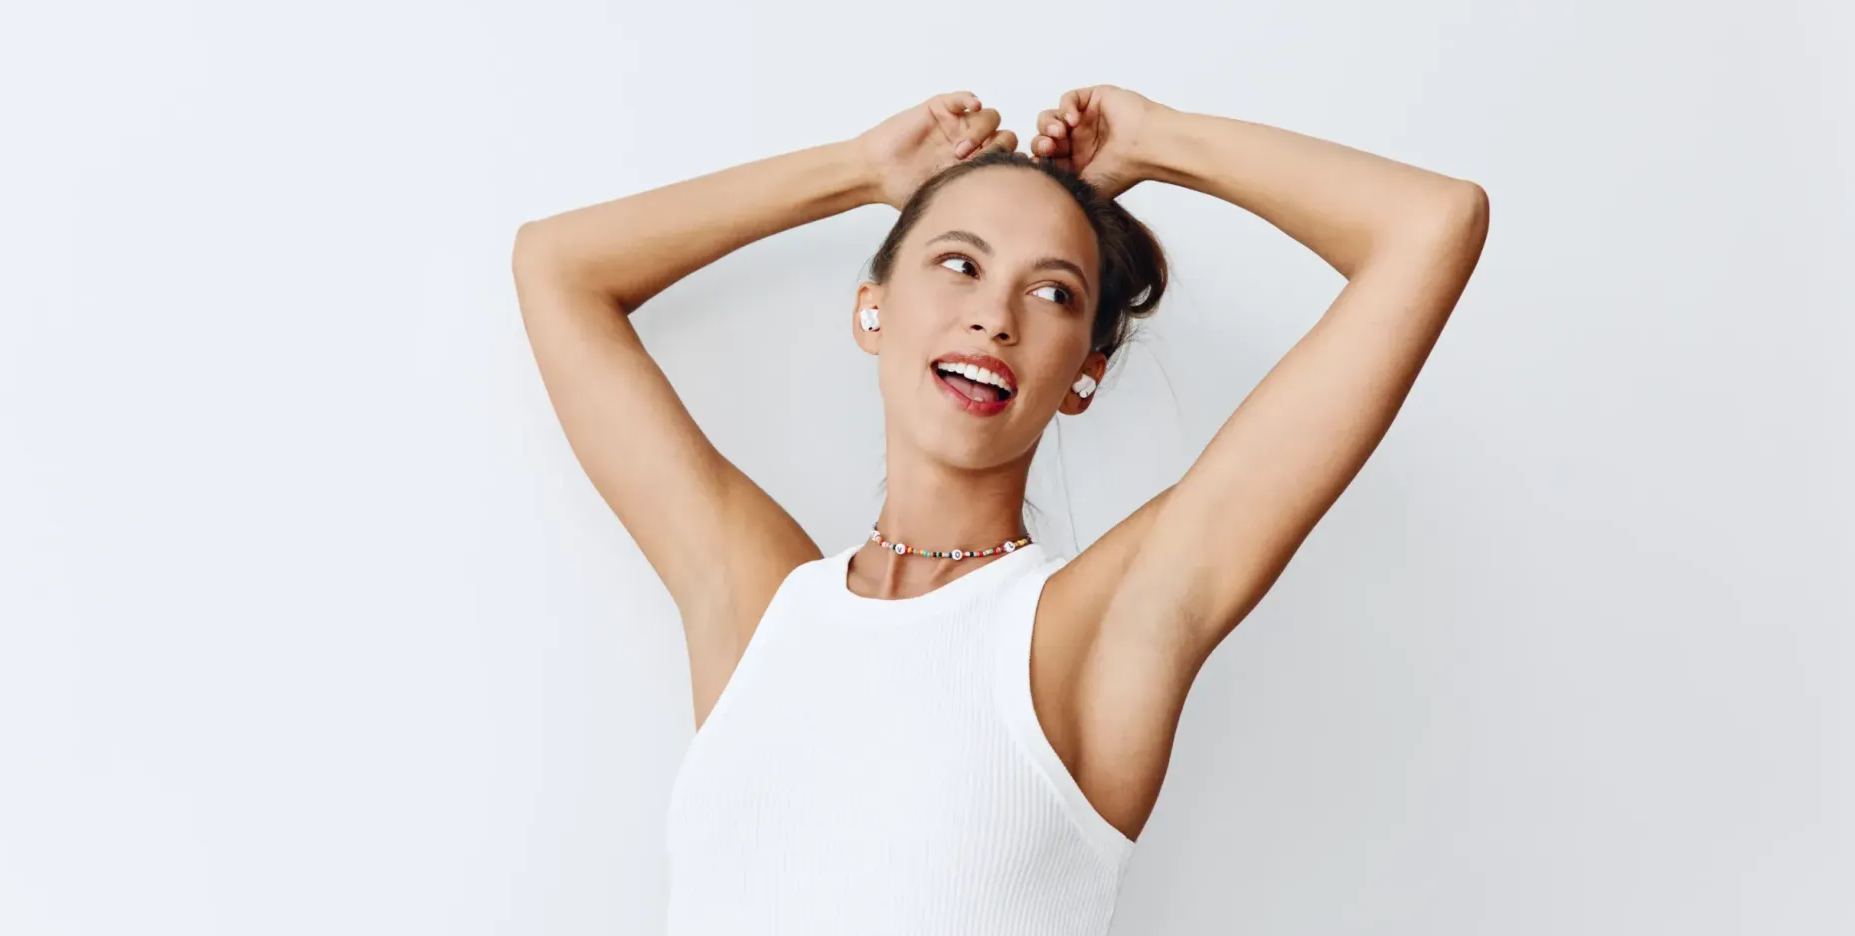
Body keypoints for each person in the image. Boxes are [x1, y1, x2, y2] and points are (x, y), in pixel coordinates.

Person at [511, 86, 1488, 934]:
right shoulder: (762, 604)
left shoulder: (1095, 629)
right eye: (958, 263)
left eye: (1053, 292)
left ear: (1084, 375)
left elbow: (1431, 225)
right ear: (872, 308)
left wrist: (1159, 140)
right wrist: (856, 169)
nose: (996, 316)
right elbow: (557, 265)